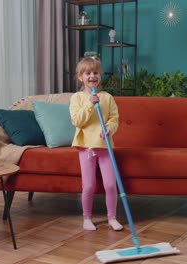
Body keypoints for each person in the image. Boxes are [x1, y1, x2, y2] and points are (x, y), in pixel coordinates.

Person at [69, 57, 123, 231]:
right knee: (89, 185)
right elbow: (77, 121)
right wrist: (90, 105)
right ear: (80, 77)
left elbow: (114, 119)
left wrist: (109, 129)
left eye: (96, 73)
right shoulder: (77, 98)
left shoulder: (107, 98)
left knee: (109, 184)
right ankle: (87, 218)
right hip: (86, 147)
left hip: (104, 145)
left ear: (100, 75)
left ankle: (112, 217)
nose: (92, 76)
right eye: (88, 73)